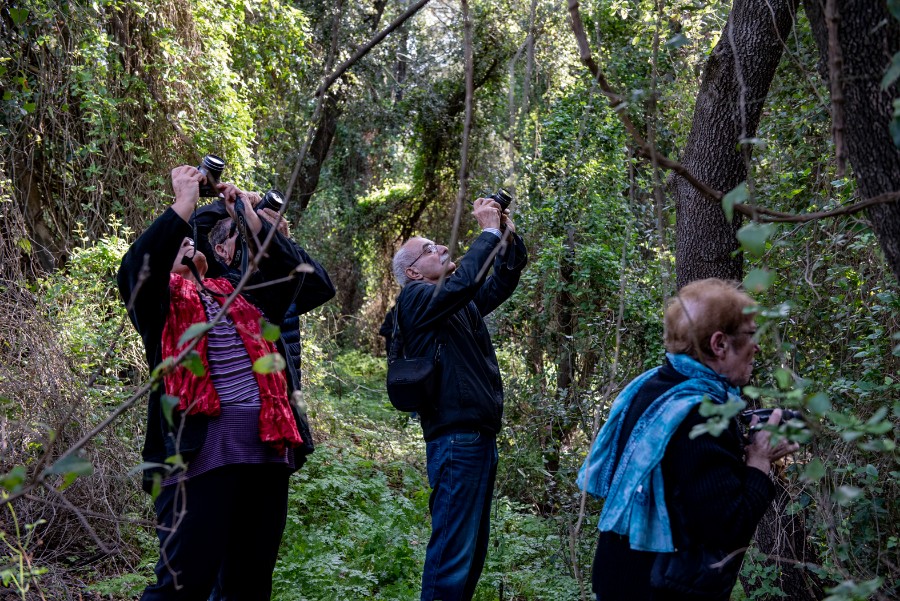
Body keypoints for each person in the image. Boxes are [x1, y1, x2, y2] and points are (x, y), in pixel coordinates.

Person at [117, 165, 334, 600]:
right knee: (182, 587)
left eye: (189, 238)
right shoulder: (158, 303)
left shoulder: (241, 290)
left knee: (248, 586)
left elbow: (306, 280)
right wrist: (184, 202)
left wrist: (248, 217)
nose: (183, 241)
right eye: (176, 240)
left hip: (266, 456)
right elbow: (138, 266)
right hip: (200, 458)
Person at [578, 278, 800, 601]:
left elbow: (687, 489)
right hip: (654, 591)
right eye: (751, 336)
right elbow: (728, 526)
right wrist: (759, 462)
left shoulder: (655, 388)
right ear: (719, 344)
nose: (758, 347)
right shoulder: (700, 412)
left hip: (619, 578)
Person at [381, 197, 527, 601]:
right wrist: (487, 232)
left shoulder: (452, 305)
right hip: (456, 441)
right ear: (412, 272)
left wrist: (505, 237)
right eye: (430, 249)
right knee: (452, 555)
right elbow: (465, 282)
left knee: (470, 554)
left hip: (476, 441)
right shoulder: (414, 300)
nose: (442, 248)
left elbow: (499, 283)